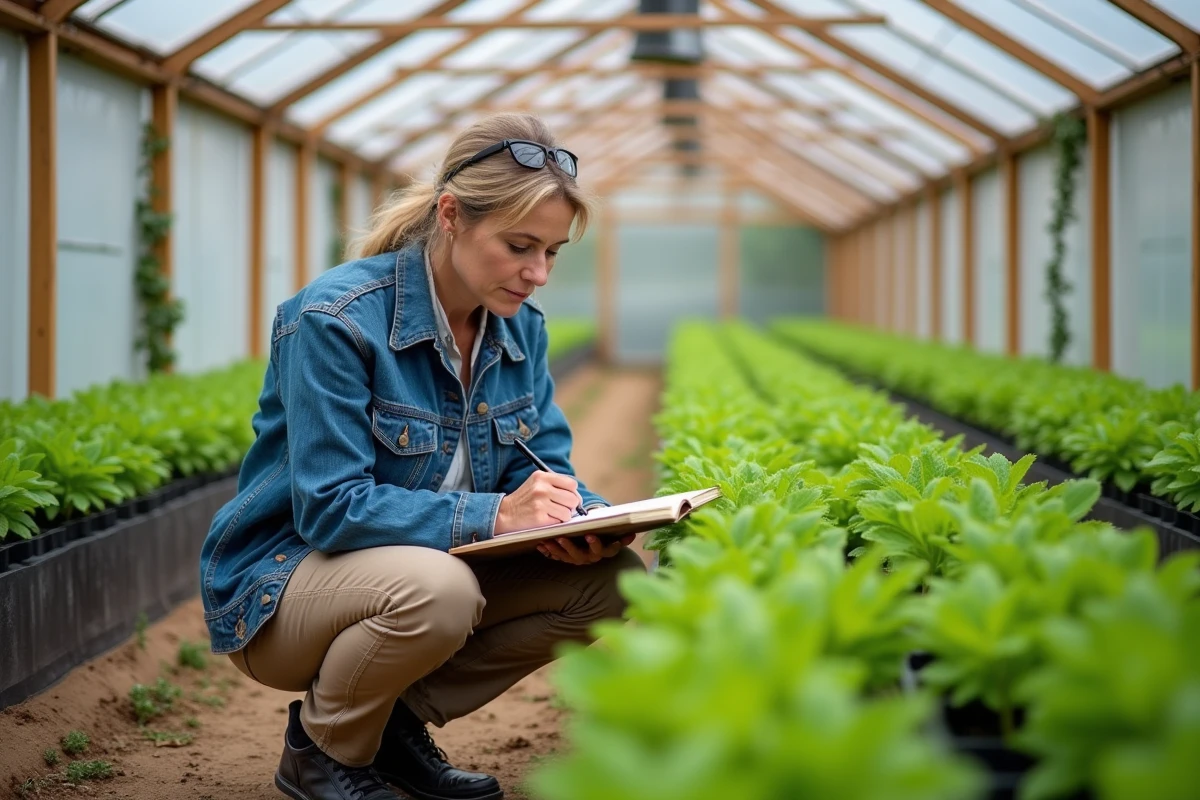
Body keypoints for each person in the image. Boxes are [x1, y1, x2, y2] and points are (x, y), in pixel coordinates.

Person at [198, 112, 645, 800]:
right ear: (451, 216)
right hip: (287, 589)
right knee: (438, 592)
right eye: (521, 245)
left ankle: (389, 728)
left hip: (418, 573)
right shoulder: (337, 319)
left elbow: (543, 464)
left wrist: (584, 519)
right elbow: (328, 507)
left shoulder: (520, 327)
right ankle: (320, 754)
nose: (538, 273)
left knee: (612, 582)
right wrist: (495, 516)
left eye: (553, 252)